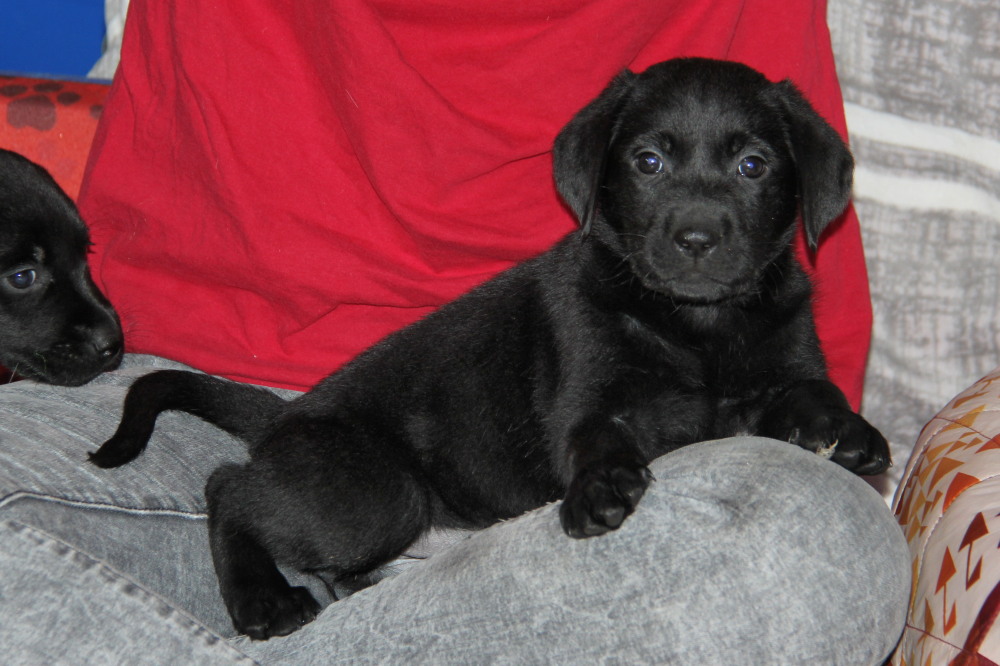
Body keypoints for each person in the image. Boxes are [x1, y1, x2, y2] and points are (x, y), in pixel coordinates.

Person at [0, 0, 909, 663]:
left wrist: (818, 437)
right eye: (653, 161)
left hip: (596, 513)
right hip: (250, 409)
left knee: (824, 555)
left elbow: (793, 397)